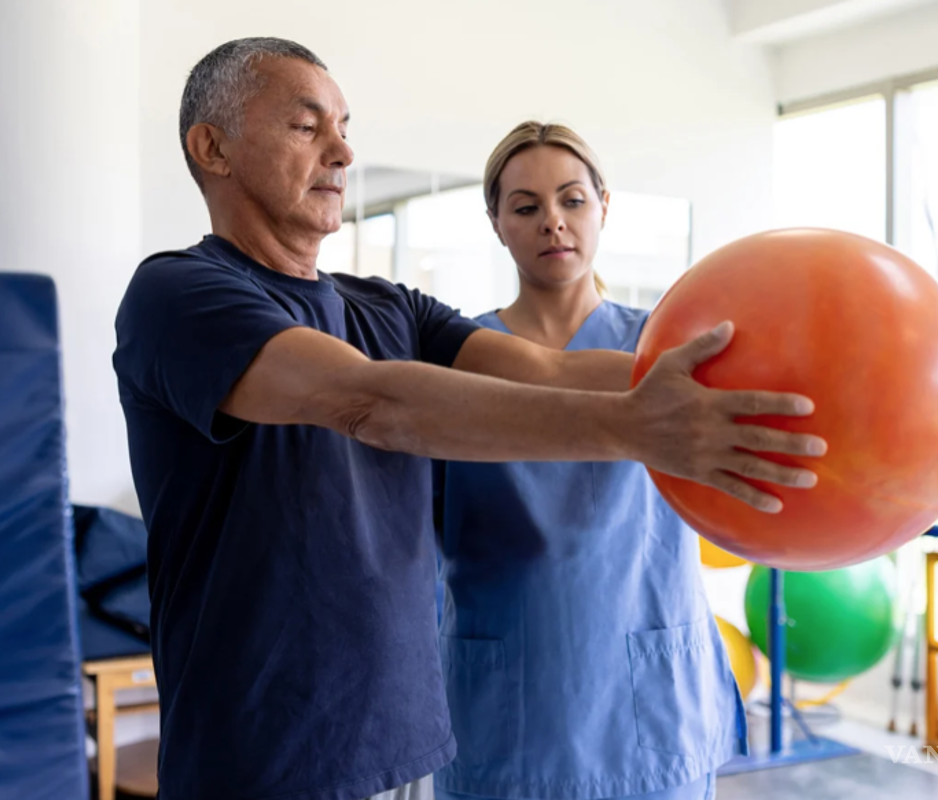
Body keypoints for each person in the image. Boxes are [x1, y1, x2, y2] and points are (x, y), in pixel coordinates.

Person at [112, 39, 830, 800]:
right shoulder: (178, 295)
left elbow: (551, 368)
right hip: (260, 757)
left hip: (394, 750)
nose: (343, 150)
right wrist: (633, 427)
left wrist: (898, 368)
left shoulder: (386, 306)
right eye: (306, 126)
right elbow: (370, 403)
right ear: (211, 147)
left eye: (345, 126)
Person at [433, 120, 938, 800]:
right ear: (497, 222)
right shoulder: (459, 358)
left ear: (604, 207)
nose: (553, 221)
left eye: (572, 199)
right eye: (525, 206)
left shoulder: (679, 340)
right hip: (506, 703)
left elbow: (826, 386)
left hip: (646, 699)